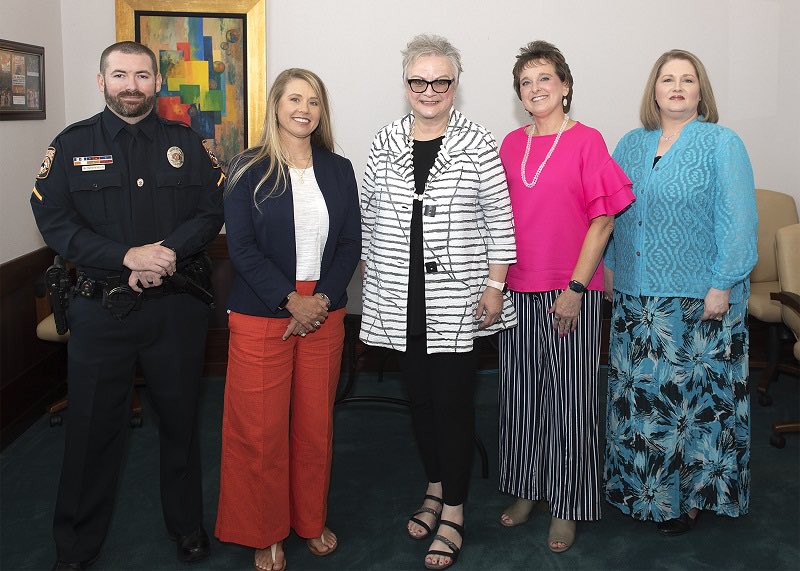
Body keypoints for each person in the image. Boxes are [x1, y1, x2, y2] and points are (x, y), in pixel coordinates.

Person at [30, 41, 224, 569]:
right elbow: (56, 223)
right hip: (100, 312)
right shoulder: (72, 146)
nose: (131, 85)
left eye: (142, 75)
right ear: (102, 82)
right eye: (120, 75)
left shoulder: (187, 142)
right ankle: (75, 545)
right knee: (91, 431)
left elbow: (211, 211)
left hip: (175, 308)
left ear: (157, 82)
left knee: (182, 424)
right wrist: (126, 255)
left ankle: (186, 527)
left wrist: (164, 254)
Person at [360, 34, 517, 570]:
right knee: (420, 402)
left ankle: (453, 510)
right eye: (419, 81)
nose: (430, 90)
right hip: (399, 302)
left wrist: (495, 287)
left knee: (452, 406)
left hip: (459, 302)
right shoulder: (384, 142)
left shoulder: (478, 142)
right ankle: (434, 486)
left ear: (455, 86)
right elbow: (368, 217)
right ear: (406, 85)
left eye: (441, 81)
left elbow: (501, 222)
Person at [603, 49, 757, 535]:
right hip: (634, 295)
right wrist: (608, 270)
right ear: (654, 90)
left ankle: (686, 498)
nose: (676, 86)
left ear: (699, 91)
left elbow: (739, 222)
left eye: (687, 79)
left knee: (689, 406)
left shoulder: (721, 143)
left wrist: (722, 284)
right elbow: (608, 215)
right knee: (640, 401)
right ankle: (638, 488)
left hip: (697, 299)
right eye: (667, 79)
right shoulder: (629, 144)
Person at [215, 68, 360, 571]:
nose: (305, 108)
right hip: (262, 311)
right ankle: (265, 531)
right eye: (295, 98)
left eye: (314, 100)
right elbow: (241, 247)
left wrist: (320, 299)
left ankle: (309, 521)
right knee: (259, 431)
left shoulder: (339, 169)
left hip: (325, 310)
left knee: (315, 426)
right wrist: (288, 300)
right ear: (276, 105)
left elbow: (349, 244)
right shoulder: (245, 168)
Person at [496, 41, 634, 553]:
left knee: (572, 401)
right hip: (517, 286)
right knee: (522, 397)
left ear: (565, 85)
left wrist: (576, 288)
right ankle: (528, 488)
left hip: (572, 288)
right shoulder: (510, 144)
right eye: (526, 82)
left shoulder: (587, 141)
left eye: (545, 79)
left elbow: (603, 219)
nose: (535, 89)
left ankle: (569, 502)